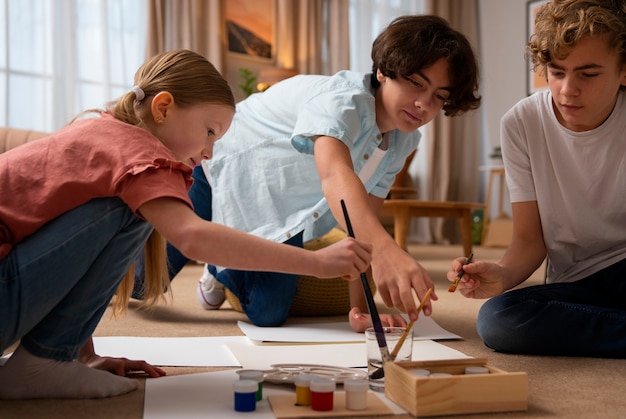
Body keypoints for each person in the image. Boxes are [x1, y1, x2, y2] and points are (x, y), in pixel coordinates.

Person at [0, 49, 373, 400]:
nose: (210, 152)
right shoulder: (138, 153)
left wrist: (82, 353)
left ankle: (54, 356)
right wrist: (317, 263)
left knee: (125, 204)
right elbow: (192, 236)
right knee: (126, 209)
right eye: (210, 132)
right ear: (163, 108)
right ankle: (45, 361)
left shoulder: (105, 131)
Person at [156, 15, 481, 331]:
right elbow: (334, 175)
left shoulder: (404, 139)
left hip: (285, 205)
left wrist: (361, 309)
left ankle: (219, 263)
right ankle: (219, 253)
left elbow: (363, 224)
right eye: (415, 83)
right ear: (384, 71)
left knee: (267, 311)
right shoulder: (343, 99)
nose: (424, 104)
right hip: (224, 170)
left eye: (439, 96)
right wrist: (385, 250)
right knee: (143, 287)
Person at [448, 0, 626, 358]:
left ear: (623, 71)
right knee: (499, 320)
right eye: (557, 72)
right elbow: (530, 240)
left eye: (588, 74)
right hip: (575, 283)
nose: (566, 90)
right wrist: (501, 275)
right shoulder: (521, 123)